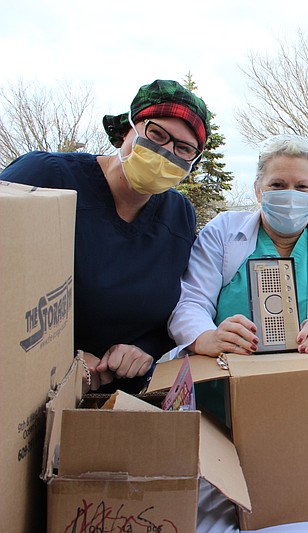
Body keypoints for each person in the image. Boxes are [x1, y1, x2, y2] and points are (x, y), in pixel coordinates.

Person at [1, 79, 209, 394]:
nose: (166, 153)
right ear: (128, 128)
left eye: (184, 149)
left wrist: (143, 349)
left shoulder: (178, 216)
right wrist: (57, 357)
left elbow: (172, 310)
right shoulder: (46, 179)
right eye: (157, 134)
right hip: (24, 390)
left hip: (116, 401)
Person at [168, 134, 308, 360]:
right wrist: (207, 337)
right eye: (277, 185)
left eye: (302, 186)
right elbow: (193, 300)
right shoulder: (224, 231)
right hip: (231, 370)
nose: (290, 195)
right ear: (258, 190)